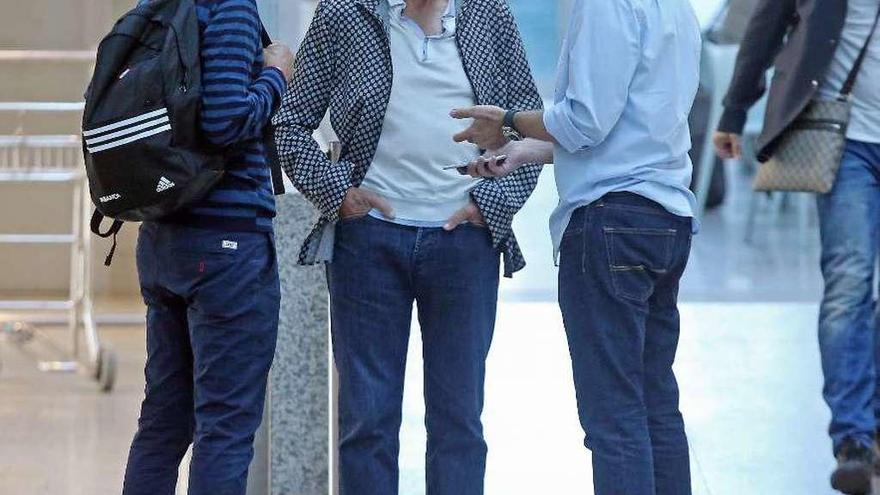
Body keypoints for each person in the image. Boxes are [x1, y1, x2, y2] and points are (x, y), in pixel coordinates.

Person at [272, 0, 542, 493]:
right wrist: (337, 194)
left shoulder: (489, 12)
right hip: (368, 242)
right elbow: (290, 123)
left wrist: (492, 204)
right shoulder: (345, 12)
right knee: (367, 420)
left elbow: (526, 124)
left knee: (458, 420)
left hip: (464, 242)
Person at [450, 0, 702, 493]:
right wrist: (531, 151)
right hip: (662, 215)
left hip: (612, 222)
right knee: (655, 406)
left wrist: (507, 121)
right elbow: (634, 126)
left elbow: (585, 121)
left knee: (615, 415)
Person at [121, 0, 293, 493]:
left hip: (162, 236)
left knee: (163, 420)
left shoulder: (157, 7)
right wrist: (276, 75)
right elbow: (226, 121)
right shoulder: (232, 7)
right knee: (226, 425)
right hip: (227, 246)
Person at [712, 0, 880, 492]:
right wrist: (734, 108)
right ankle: (854, 438)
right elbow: (769, 20)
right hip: (845, 138)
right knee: (850, 282)